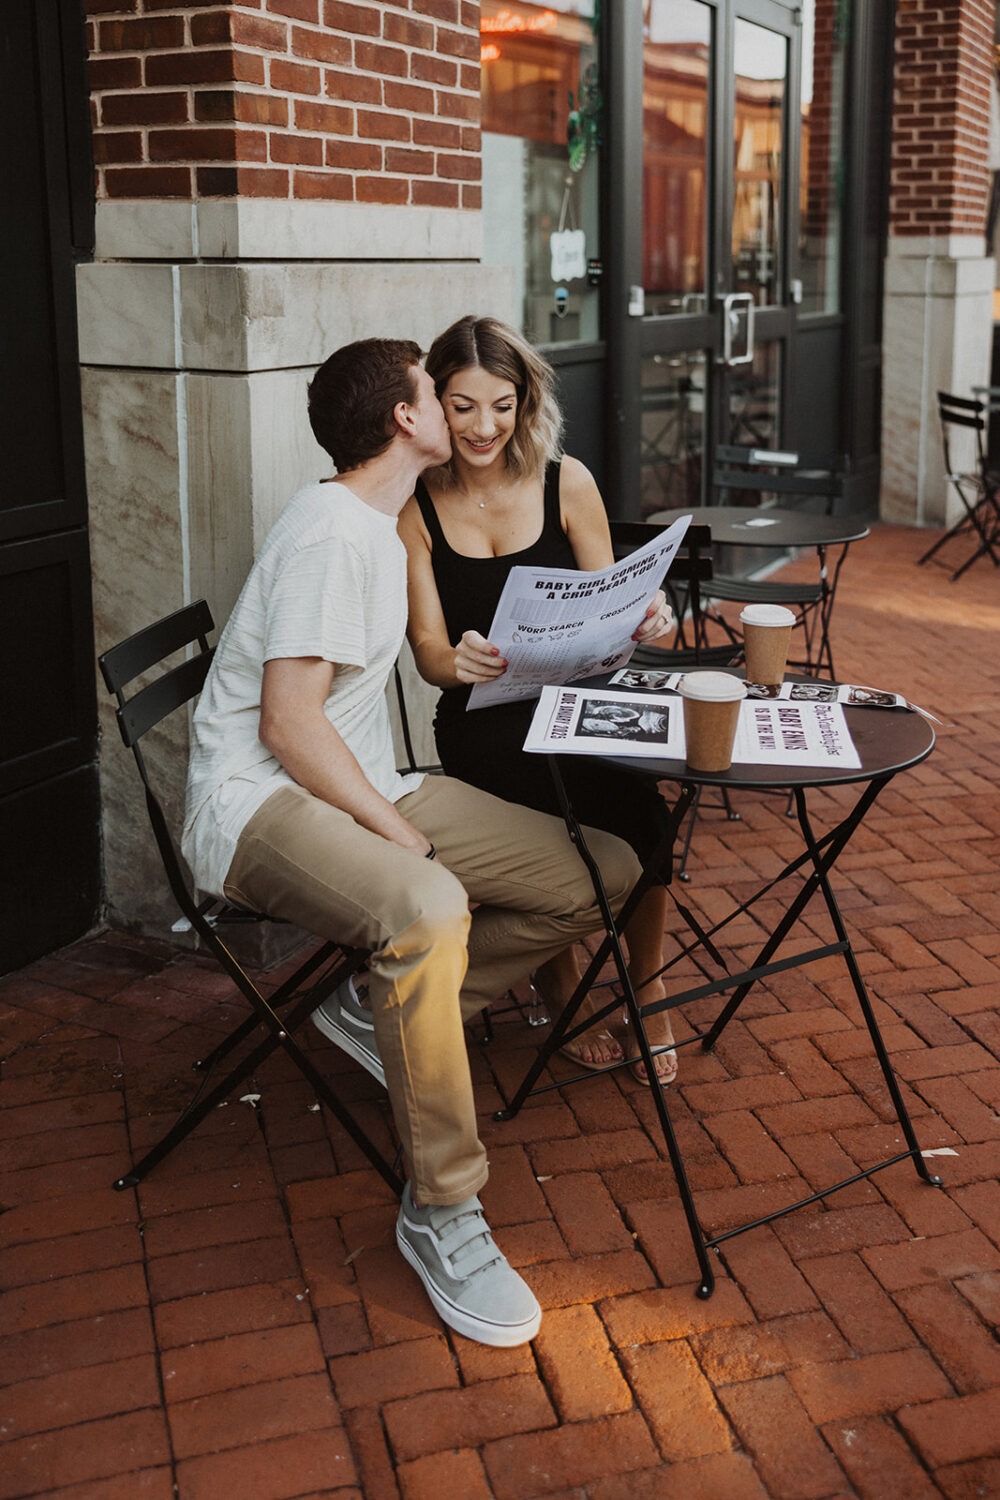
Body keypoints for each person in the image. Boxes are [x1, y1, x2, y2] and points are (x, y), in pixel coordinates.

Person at [180, 337, 641, 1349]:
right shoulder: (332, 535)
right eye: (439, 395)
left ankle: (367, 1012)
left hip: (359, 787)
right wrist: (402, 840)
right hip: (259, 807)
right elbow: (288, 725)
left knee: (600, 871)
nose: (460, 411)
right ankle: (442, 1211)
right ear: (404, 418)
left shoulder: (382, 524)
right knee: (428, 907)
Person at [399, 315, 679, 1086]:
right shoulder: (416, 506)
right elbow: (426, 649)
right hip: (482, 719)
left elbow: (616, 599)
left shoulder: (567, 480)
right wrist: (455, 660)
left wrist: (648, 616)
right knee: (546, 813)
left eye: (501, 405)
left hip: (579, 699)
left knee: (641, 809)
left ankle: (646, 986)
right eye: (462, 406)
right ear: (435, 403)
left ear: (526, 403)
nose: (483, 427)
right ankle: (555, 974)